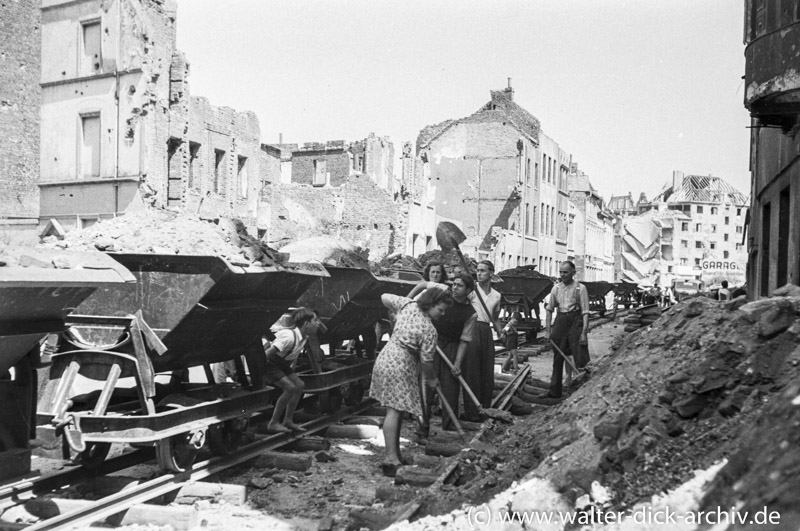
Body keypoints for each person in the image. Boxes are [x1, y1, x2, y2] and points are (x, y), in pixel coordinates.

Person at [369, 289, 453, 475]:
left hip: (387, 357)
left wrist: (398, 310)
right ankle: (390, 459)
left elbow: (384, 296)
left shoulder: (408, 305)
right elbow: (427, 362)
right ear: (430, 304)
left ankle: (396, 454)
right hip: (400, 365)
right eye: (441, 309)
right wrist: (432, 380)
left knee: (397, 411)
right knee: (394, 410)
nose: (443, 313)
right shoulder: (429, 330)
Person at [423, 273, 477, 433]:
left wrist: (457, 364)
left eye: (459, 285)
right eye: (454, 284)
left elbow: (464, 340)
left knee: (450, 389)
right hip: (433, 344)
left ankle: (448, 427)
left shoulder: (470, 313)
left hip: (452, 348)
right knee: (427, 387)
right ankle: (422, 427)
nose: (455, 287)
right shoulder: (442, 297)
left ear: (468, 290)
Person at [263, 307, 318, 434]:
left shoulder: (304, 337)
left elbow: (291, 358)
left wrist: (289, 375)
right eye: (315, 321)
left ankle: (288, 420)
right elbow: (267, 355)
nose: (318, 324)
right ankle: (273, 423)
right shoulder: (289, 337)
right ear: (306, 323)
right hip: (269, 364)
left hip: (281, 364)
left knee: (299, 385)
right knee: (290, 388)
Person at [544, 261, 590, 399]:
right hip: (561, 322)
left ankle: (584, 391)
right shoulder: (556, 289)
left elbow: (585, 311)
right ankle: (554, 392)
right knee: (558, 358)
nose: (563, 275)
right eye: (561, 272)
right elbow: (549, 310)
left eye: (566, 272)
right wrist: (548, 331)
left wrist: (584, 333)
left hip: (575, 322)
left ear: (573, 273)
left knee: (580, 357)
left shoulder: (580, 289)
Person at [466, 260, 503, 414]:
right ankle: (472, 410)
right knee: (472, 369)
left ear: (491, 273)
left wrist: (501, 332)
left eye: (482, 270)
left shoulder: (496, 296)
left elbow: (495, 317)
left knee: (487, 369)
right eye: (477, 270)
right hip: (473, 328)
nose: (479, 273)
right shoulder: (472, 291)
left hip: (486, 331)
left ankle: (485, 407)